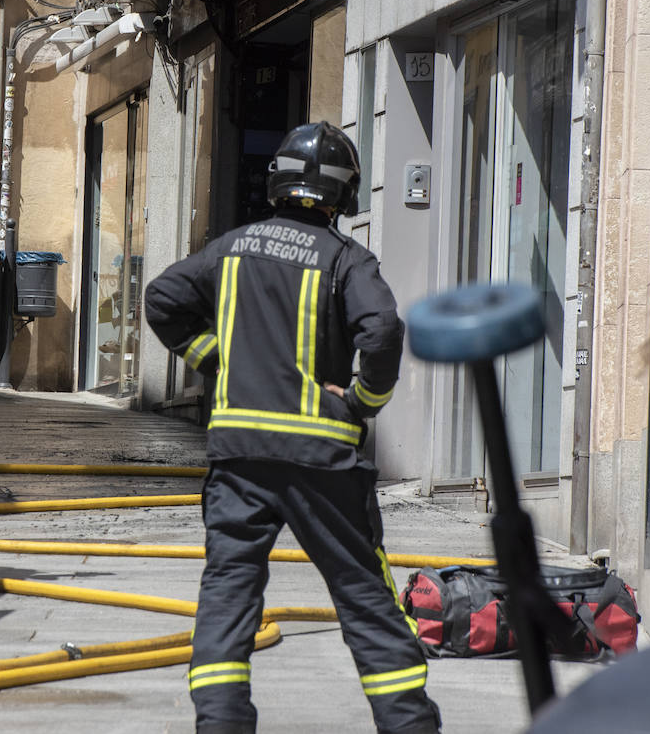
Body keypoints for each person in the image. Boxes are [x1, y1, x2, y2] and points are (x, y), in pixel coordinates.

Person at [144, 121, 441, 734]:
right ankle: (409, 726)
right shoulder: (346, 259)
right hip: (321, 462)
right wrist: (363, 400)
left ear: (277, 181)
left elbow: (161, 299)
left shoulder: (229, 249)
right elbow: (382, 332)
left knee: (228, 595)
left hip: (238, 458)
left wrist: (215, 357)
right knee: (363, 596)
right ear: (342, 195)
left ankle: (221, 725)